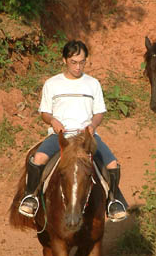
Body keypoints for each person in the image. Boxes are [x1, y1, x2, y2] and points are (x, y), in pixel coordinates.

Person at [18, 39, 128, 222]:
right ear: (64, 60)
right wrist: (53, 120)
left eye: (82, 62)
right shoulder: (52, 84)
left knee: (112, 164)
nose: (78, 67)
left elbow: (99, 112)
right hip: (61, 136)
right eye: (74, 62)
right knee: (38, 158)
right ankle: (31, 197)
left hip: (86, 137)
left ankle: (113, 201)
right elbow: (44, 112)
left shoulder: (92, 84)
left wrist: (93, 126)